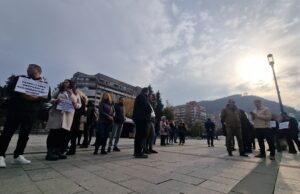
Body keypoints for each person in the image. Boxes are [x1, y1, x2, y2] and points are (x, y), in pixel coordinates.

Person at [0, 64, 50, 167]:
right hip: (15, 110)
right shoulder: (20, 79)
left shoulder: (45, 84)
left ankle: (18, 155)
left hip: (31, 112)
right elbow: (9, 91)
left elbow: (47, 97)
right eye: (28, 71)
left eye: (32, 72)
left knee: (25, 134)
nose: (29, 73)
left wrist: (36, 98)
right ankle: (0, 155)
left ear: (39, 72)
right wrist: (23, 95)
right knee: (7, 132)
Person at [45, 79, 81, 160]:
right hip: (57, 114)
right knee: (54, 133)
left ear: (71, 84)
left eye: (67, 82)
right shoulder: (59, 90)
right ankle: (50, 152)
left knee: (63, 135)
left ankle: (59, 152)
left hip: (68, 116)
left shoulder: (76, 93)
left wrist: (76, 104)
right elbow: (50, 99)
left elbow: (80, 105)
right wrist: (55, 101)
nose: (65, 83)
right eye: (64, 82)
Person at [132, 87, 152, 158]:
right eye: (148, 92)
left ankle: (137, 152)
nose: (149, 93)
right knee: (141, 135)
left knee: (139, 135)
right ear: (146, 91)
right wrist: (150, 109)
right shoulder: (142, 96)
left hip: (140, 119)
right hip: (142, 119)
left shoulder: (141, 97)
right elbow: (146, 107)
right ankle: (138, 153)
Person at [67, 90, 88, 155]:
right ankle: (72, 149)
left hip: (74, 117)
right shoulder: (84, 100)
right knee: (74, 135)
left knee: (71, 134)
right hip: (78, 119)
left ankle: (71, 149)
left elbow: (79, 109)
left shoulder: (80, 99)